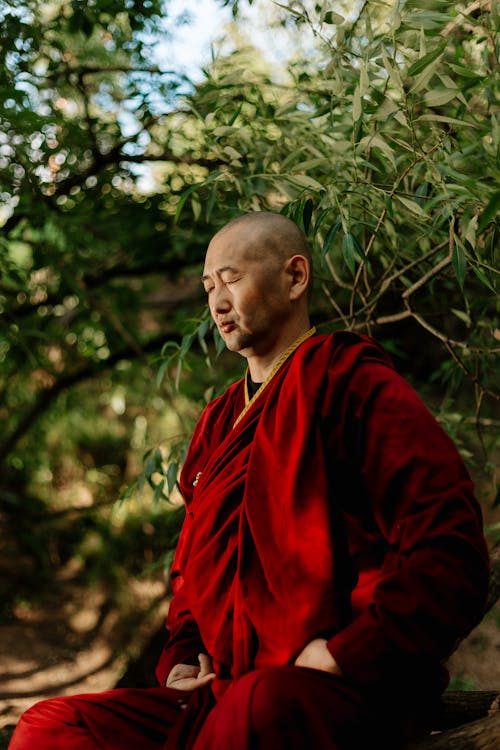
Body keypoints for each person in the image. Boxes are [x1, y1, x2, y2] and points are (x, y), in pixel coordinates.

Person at [9, 211, 490, 749]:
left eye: (233, 278)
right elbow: (191, 573)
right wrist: (184, 655)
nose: (216, 302)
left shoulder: (353, 384)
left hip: (330, 690)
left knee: (255, 706)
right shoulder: (217, 422)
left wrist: (346, 652)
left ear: (295, 277)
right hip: (224, 691)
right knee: (51, 726)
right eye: (209, 285)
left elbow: (451, 551)